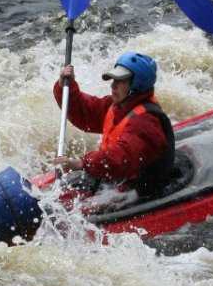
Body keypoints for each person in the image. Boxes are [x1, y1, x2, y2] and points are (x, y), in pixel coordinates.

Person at [51, 52, 176, 199]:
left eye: (120, 81)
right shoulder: (118, 106)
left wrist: (82, 163)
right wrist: (66, 86)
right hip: (116, 181)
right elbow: (86, 112)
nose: (113, 85)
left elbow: (123, 156)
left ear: (136, 84)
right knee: (65, 191)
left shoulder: (146, 122)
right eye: (113, 80)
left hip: (138, 192)